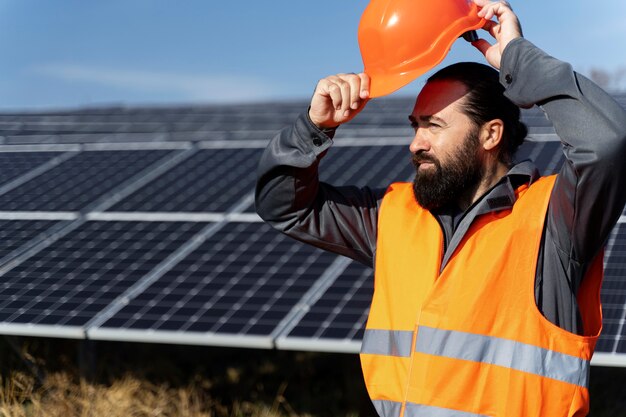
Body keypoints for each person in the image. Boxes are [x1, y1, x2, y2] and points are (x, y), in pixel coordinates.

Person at [255, 0, 626, 416]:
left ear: (491, 134)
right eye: (415, 126)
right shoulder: (392, 215)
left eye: (433, 126)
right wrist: (313, 129)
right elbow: (283, 206)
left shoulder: (555, 222)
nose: (416, 144)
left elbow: (606, 143)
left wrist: (520, 60)